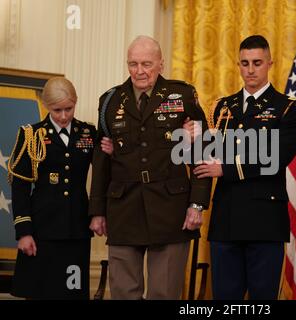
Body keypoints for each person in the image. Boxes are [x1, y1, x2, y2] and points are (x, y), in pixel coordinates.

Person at [88, 35, 211, 300]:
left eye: (146, 64)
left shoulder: (183, 95)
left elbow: (203, 152)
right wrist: (97, 210)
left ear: (161, 64)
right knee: (123, 292)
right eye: (133, 64)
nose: (139, 71)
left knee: (163, 292)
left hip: (170, 208)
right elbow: (102, 159)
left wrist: (197, 204)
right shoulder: (110, 101)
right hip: (123, 208)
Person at [192, 35, 296, 299]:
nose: (250, 70)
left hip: (264, 221)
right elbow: (206, 157)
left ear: (269, 63)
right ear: (238, 65)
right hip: (226, 220)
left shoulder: (287, 108)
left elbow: (275, 157)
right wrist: (192, 139)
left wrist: (226, 169)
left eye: (257, 63)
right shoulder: (221, 107)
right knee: (225, 298)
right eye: (245, 63)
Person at [8, 77, 97, 299]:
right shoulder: (31, 135)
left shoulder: (88, 133)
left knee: (72, 292)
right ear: (46, 105)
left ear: (75, 102)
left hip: (76, 230)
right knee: (40, 292)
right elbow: (20, 187)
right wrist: (24, 232)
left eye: (69, 108)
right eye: (58, 110)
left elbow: (105, 175)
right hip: (41, 231)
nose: (64, 116)